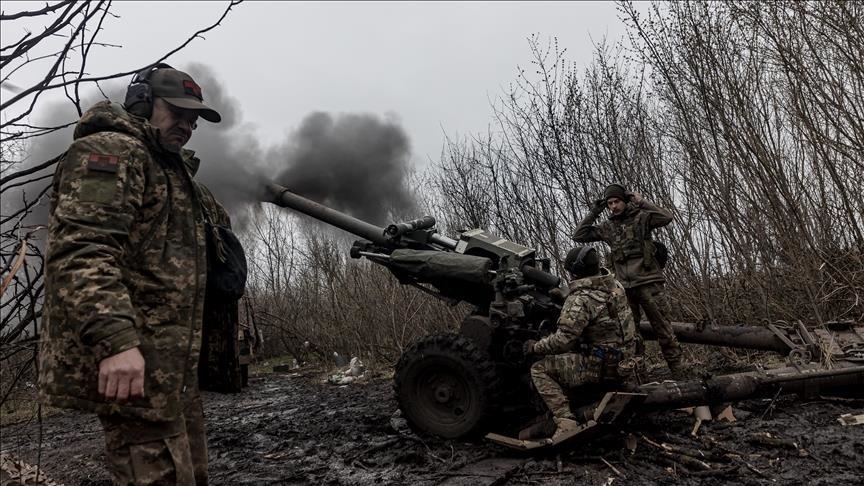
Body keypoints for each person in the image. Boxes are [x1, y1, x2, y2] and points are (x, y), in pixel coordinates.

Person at [39, 64, 222, 485]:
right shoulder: (110, 153)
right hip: (135, 365)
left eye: (194, 119)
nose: (187, 125)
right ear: (142, 103)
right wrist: (115, 343)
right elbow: (82, 251)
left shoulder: (169, 169)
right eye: (177, 112)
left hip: (168, 370)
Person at [520, 246, 637, 440]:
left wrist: (535, 346)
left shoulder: (580, 299)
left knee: (539, 369)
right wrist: (566, 295)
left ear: (575, 271)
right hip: (626, 361)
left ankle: (565, 421)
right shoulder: (615, 285)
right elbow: (597, 302)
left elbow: (562, 341)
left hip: (601, 368)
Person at [572, 183, 683, 373]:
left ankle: (678, 369)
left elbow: (667, 217)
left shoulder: (642, 218)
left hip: (649, 282)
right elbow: (579, 235)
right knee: (631, 333)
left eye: (617, 201)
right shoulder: (607, 227)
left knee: (663, 328)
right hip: (624, 287)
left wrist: (642, 202)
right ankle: (639, 372)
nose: (613, 206)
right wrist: (595, 211)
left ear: (624, 201)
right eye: (610, 203)